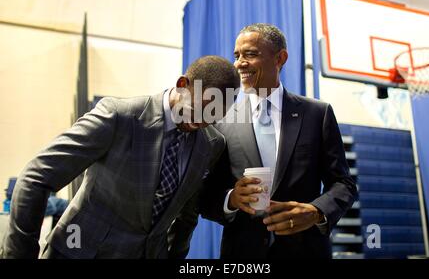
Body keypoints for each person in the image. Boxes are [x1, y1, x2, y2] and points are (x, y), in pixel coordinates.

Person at [1, 55, 241, 259]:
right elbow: (35, 178)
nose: (202, 121)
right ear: (182, 84)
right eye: (200, 107)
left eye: (214, 115)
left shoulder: (211, 143)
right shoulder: (119, 117)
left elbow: (187, 215)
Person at [200, 23, 357, 259]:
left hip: (306, 252)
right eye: (237, 55)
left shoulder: (317, 113)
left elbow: (343, 184)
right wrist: (231, 199)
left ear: (280, 58)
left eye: (250, 54)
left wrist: (316, 211)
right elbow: (205, 195)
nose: (240, 63)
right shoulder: (221, 120)